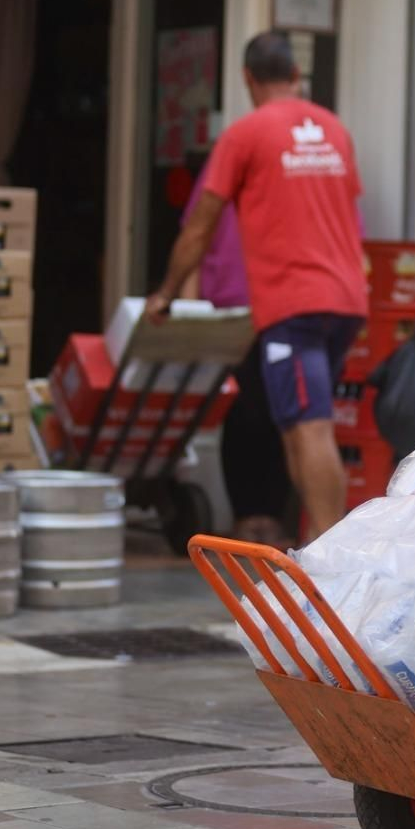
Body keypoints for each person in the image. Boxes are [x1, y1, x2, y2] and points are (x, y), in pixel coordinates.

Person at [146, 32, 367, 538]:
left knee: (309, 427)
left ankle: (331, 555)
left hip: (294, 306)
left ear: (248, 79)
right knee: (296, 429)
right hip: (345, 302)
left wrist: (166, 292)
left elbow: (200, 224)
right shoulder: (335, 130)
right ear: (296, 76)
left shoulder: (245, 134)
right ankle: (318, 545)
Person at [178, 166, 293, 547]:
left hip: (284, 307)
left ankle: (271, 517)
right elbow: (196, 235)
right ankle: (247, 515)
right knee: (239, 414)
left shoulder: (295, 170)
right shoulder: (222, 168)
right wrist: (192, 311)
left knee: (282, 417)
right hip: (228, 312)